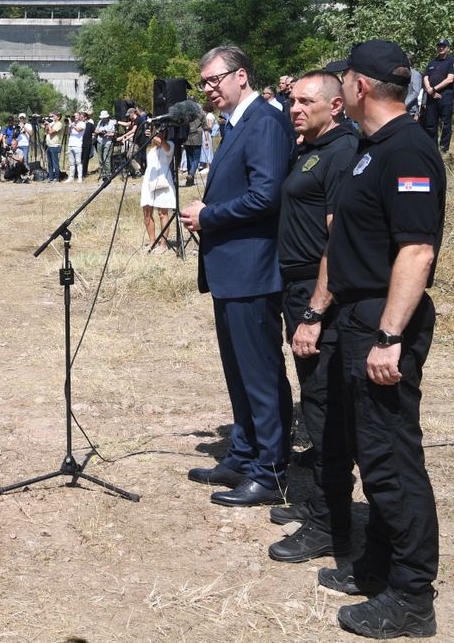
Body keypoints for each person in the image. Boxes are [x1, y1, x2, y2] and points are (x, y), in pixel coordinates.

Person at [320, 39, 443, 639]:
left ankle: (412, 596)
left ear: (360, 86)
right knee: (372, 453)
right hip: (357, 317)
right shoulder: (373, 149)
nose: (338, 88)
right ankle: (377, 564)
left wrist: (390, 335)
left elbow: (417, 250)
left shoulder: (409, 149)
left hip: (383, 323)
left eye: (342, 80)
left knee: (393, 461)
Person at [181, 45, 294, 507]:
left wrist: (210, 216)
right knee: (238, 372)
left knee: (261, 374)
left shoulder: (265, 122)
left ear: (241, 76)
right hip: (231, 270)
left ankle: (269, 472)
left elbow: (266, 196)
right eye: (203, 83)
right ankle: (244, 455)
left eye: (214, 80)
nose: (208, 89)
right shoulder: (236, 124)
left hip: (253, 270)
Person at [267, 70, 359, 565]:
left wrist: (312, 313)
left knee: (324, 409)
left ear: (336, 105)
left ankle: (330, 523)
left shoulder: (342, 151)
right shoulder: (312, 146)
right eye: (291, 100)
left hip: (315, 292)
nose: (294, 108)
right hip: (297, 287)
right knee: (316, 400)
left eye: (305, 101)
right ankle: (325, 502)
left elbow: (336, 242)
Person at [140, 129, 176, 253]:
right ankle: (152, 242)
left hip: (163, 181)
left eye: (160, 132)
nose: (158, 134)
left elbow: (166, 148)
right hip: (149, 180)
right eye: (156, 132)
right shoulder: (150, 149)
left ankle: (163, 244)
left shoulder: (169, 144)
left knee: (162, 213)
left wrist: (156, 138)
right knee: (146, 212)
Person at [422, 39, 454, 153]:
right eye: (439, 46)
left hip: (445, 96)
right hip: (431, 97)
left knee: (445, 123)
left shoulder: (452, 61)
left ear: (448, 48)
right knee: (430, 124)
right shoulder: (432, 61)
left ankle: (444, 149)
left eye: (443, 46)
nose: (441, 48)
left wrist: (434, 89)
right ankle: (433, 148)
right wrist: (429, 90)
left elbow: (450, 79)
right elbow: (425, 76)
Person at [94, 110, 118, 180]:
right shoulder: (100, 122)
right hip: (100, 141)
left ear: (107, 117)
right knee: (100, 159)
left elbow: (114, 133)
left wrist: (106, 134)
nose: (103, 119)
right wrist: (99, 132)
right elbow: (96, 130)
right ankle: (103, 173)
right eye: (102, 118)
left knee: (106, 158)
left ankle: (108, 174)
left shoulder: (112, 123)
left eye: (104, 118)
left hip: (108, 142)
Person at [65, 111, 85, 182]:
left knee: (78, 162)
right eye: (74, 116)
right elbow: (68, 132)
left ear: (80, 116)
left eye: (76, 116)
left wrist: (71, 123)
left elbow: (78, 130)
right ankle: (71, 177)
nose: (75, 117)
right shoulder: (72, 123)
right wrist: (68, 124)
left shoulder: (82, 123)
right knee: (71, 162)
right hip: (70, 144)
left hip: (78, 145)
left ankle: (80, 177)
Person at [44, 112, 63, 182]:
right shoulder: (52, 123)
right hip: (49, 145)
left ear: (58, 117)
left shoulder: (59, 124)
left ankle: (57, 178)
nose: (52, 117)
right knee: (49, 163)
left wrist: (48, 125)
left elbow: (51, 132)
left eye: (54, 116)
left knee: (55, 163)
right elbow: (46, 132)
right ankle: (51, 177)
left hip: (55, 145)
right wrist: (46, 125)